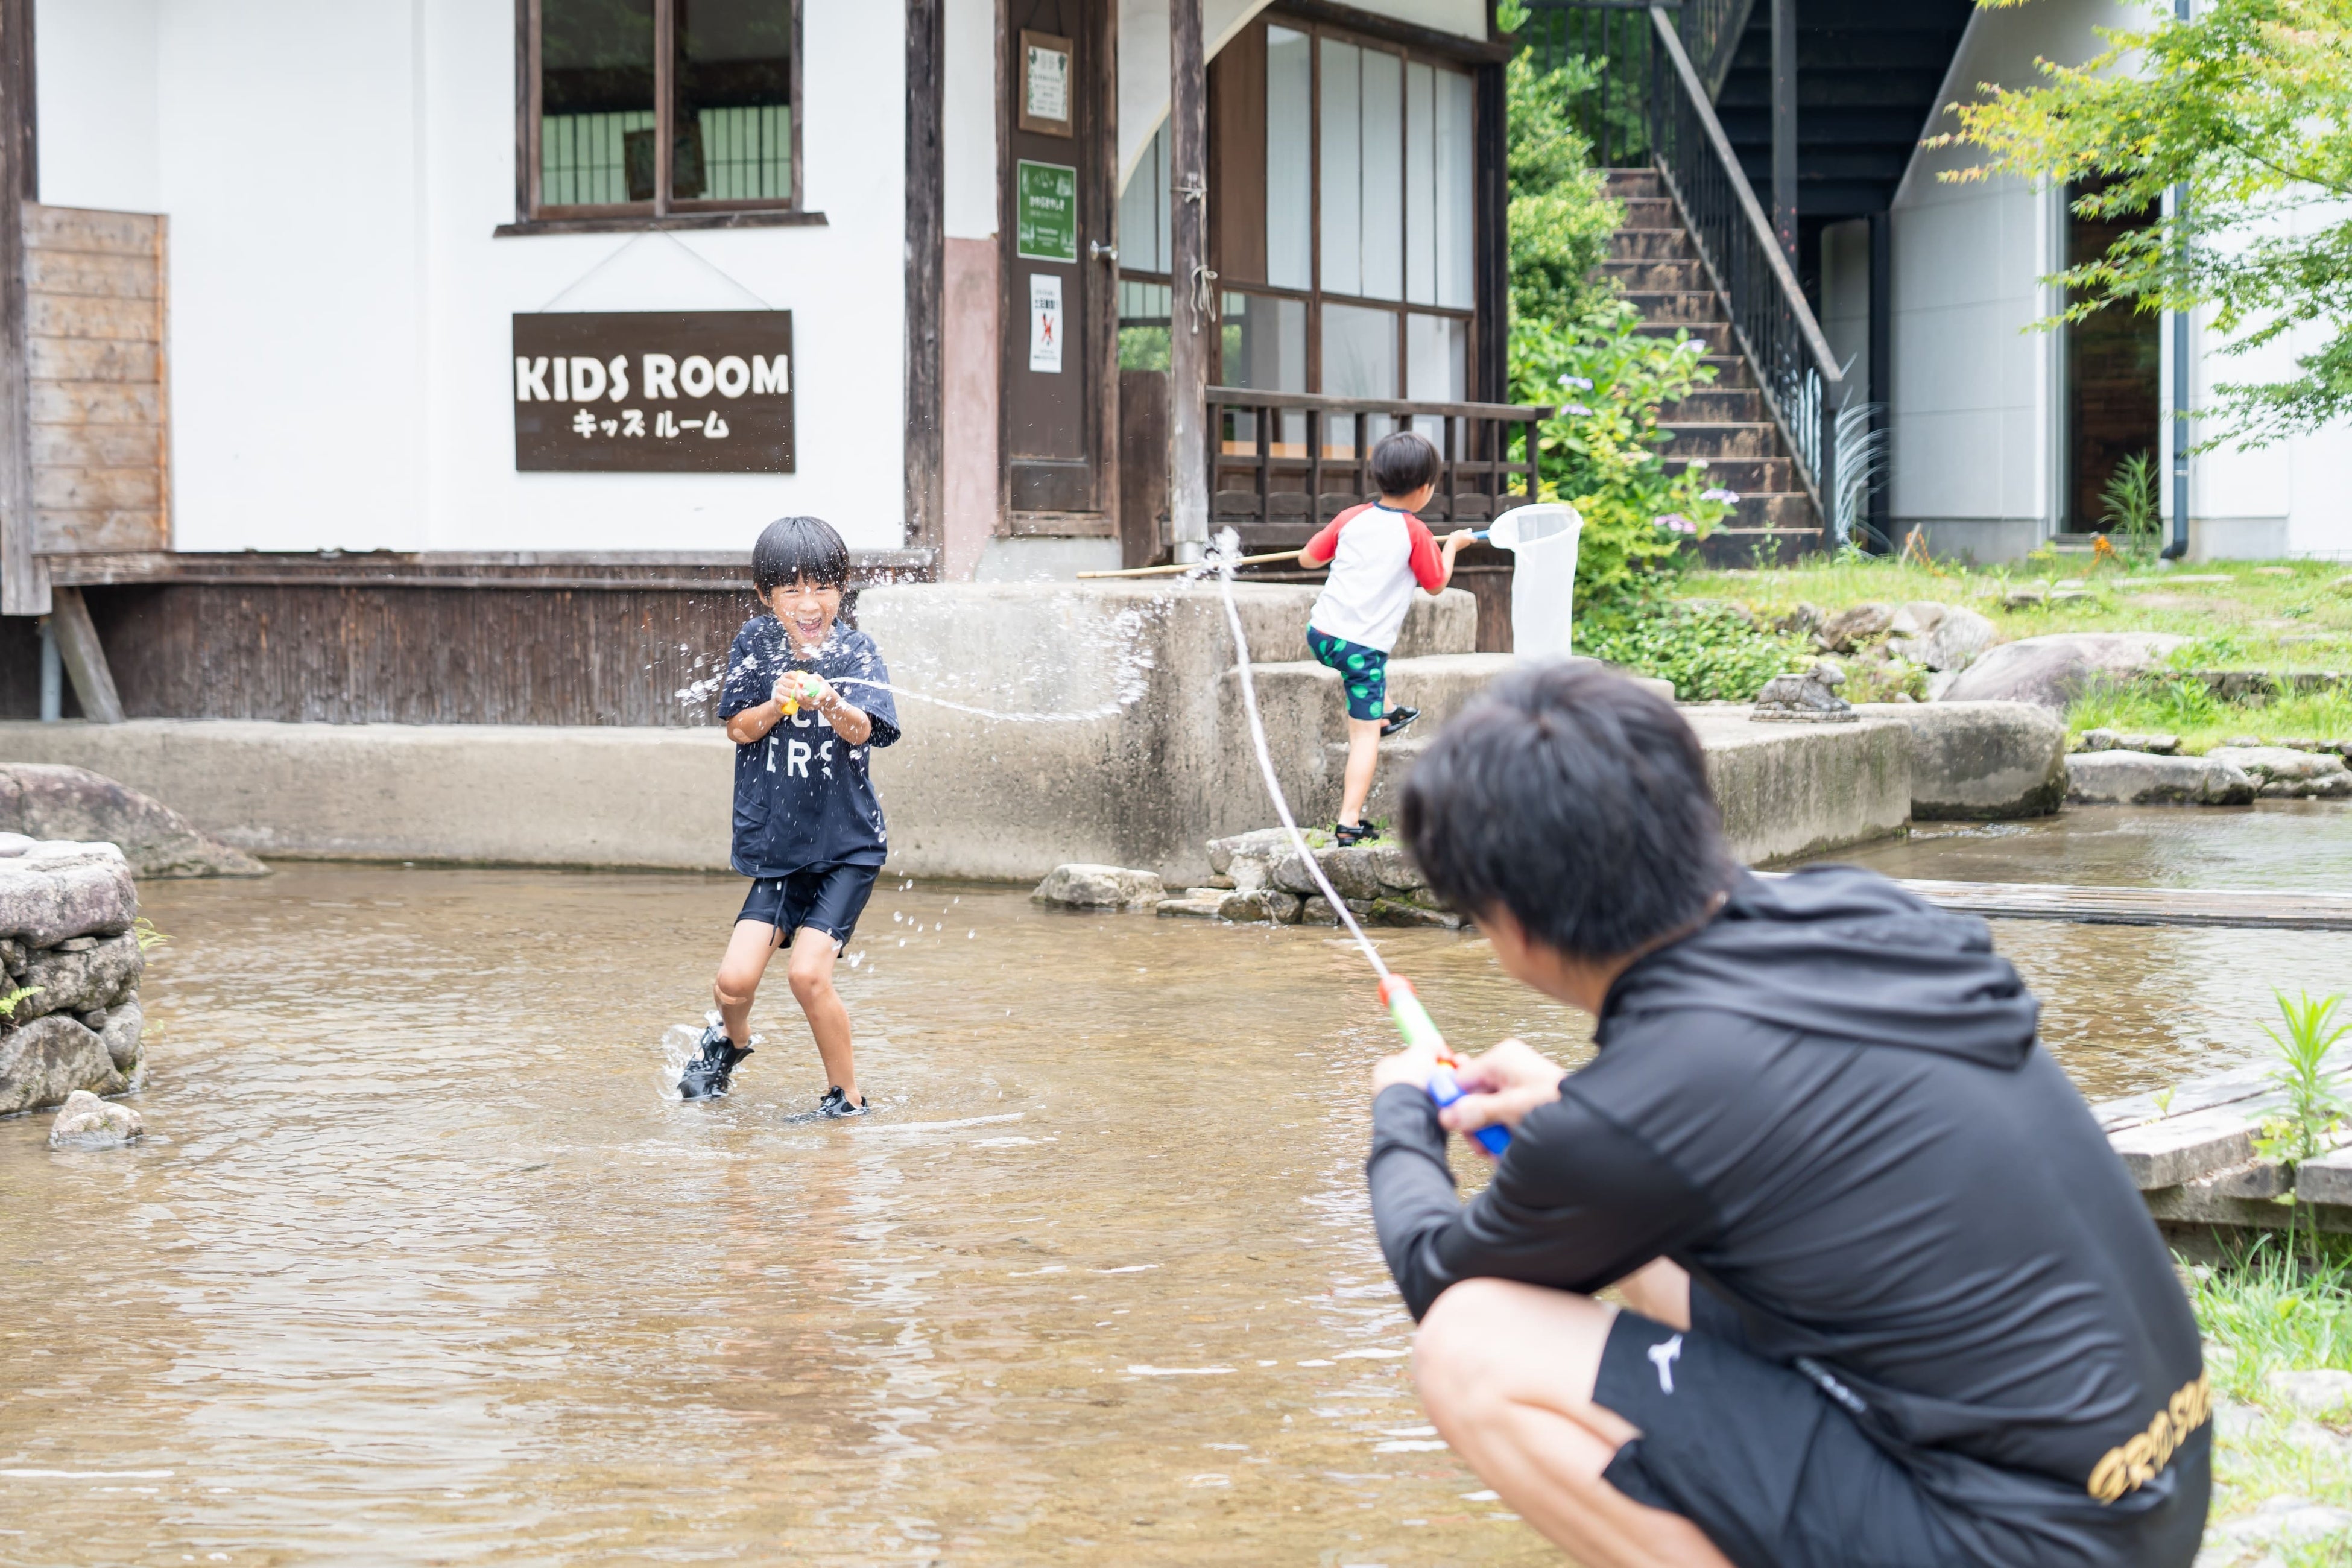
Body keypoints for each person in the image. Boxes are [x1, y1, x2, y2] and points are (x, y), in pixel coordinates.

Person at [1365, 663, 2209, 1568]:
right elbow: (1729, 1112)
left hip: (2019, 1542)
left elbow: (1439, 1279)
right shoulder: (1863, 908)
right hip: (2159, 1493)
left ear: (1514, 926)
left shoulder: (1640, 1116)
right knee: (1654, 1248)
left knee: (1471, 1344)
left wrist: (1402, 1112)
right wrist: (1582, 1113)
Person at [678, 515, 901, 1110]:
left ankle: (846, 1097)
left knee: (807, 974)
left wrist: (830, 699)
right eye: (793, 590)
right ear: (765, 595)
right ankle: (732, 1043)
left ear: (843, 586)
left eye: (823, 587)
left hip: (846, 852)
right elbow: (737, 727)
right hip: (781, 850)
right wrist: (775, 705)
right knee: (732, 983)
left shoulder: (857, 650)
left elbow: (864, 733)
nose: (810, 603)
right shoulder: (756, 642)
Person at [1297, 429, 1476, 846]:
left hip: (1322, 635)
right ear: (1425, 488)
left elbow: (1308, 558)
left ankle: (1390, 710)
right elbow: (1436, 585)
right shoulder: (1415, 532)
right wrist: (1453, 546)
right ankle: (1349, 821)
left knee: (1365, 675)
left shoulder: (1352, 516)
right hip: (1362, 650)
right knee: (1365, 734)